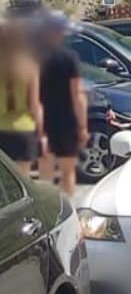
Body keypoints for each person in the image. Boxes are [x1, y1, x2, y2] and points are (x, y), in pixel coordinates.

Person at [38, 12, 88, 197]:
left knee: (45, 169)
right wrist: (82, 126)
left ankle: (47, 208)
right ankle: (68, 206)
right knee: (68, 171)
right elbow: (77, 94)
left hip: (42, 119)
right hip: (66, 121)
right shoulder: (68, 58)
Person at [0, 21, 44, 176]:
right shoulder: (29, 66)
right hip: (23, 129)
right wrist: (42, 132)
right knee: (21, 180)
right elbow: (34, 104)